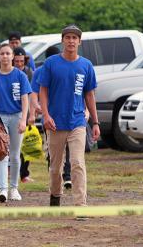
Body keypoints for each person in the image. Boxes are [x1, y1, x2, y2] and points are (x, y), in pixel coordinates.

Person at [39, 24, 100, 207]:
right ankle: (55, 195)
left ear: (79, 42)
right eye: (68, 37)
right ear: (62, 40)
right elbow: (43, 90)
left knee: (77, 163)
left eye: (75, 38)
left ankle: (80, 204)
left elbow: (89, 95)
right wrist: (46, 115)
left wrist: (95, 122)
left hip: (77, 122)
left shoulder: (86, 65)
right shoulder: (51, 63)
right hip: (55, 123)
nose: (71, 41)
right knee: (56, 167)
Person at [0, 43, 31, 202]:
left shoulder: (20, 75)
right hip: (0, 119)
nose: (5, 56)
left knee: (14, 154)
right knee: (2, 154)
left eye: (8, 53)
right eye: (2, 54)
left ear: (13, 56)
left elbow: (25, 98)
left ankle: (14, 188)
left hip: (17, 116)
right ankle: (3, 189)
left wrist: (23, 120)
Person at [28, 46, 72, 189]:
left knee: (55, 151)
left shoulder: (42, 70)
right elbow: (35, 91)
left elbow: (33, 93)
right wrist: (36, 107)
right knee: (61, 150)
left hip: (55, 116)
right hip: (53, 116)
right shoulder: (42, 71)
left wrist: (36, 106)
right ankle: (63, 178)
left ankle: (61, 177)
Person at [13, 46, 34, 183]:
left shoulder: (29, 73)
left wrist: (31, 114)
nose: (19, 64)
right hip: (10, 112)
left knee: (25, 145)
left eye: (22, 61)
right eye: (17, 61)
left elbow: (31, 94)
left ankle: (24, 174)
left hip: (24, 113)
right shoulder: (8, 72)